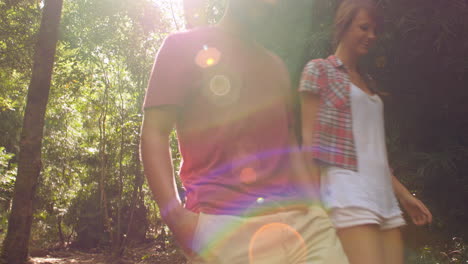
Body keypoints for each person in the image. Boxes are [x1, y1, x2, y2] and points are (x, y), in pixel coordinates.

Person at [140, 0, 348, 263]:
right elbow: (155, 134)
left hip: (304, 226)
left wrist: (316, 210)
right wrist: (175, 217)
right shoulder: (180, 46)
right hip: (226, 227)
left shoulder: (276, 67)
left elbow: (289, 146)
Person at [299, 0, 432, 263]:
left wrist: (405, 196)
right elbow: (309, 141)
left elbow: (373, 151)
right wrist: (311, 207)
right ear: (344, 26)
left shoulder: (369, 82)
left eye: (374, 30)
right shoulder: (319, 70)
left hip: (383, 195)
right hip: (347, 191)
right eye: (364, 27)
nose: (371, 36)